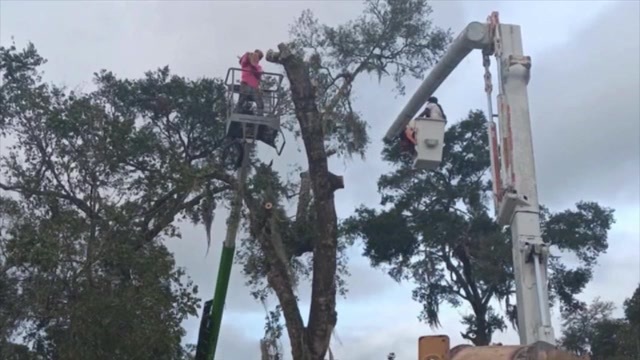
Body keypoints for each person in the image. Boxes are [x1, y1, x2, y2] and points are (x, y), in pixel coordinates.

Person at [235, 49, 264, 116]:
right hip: (245, 83)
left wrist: (255, 66)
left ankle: (260, 115)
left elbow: (260, 72)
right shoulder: (246, 62)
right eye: (256, 56)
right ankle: (238, 112)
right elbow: (244, 60)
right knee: (242, 98)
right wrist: (248, 55)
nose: (257, 58)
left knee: (260, 102)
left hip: (254, 86)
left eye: (258, 57)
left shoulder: (258, 67)